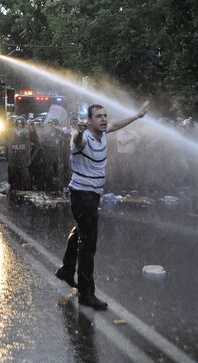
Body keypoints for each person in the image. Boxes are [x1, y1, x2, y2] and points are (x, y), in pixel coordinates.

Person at [56, 102, 148, 310]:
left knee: (80, 232)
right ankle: (86, 293)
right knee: (89, 244)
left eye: (105, 116)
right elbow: (77, 142)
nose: (104, 119)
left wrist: (136, 116)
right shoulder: (83, 138)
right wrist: (78, 133)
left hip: (94, 194)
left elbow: (116, 125)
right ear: (88, 121)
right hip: (82, 194)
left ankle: (67, 269)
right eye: (98, 116)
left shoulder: (104, 133)